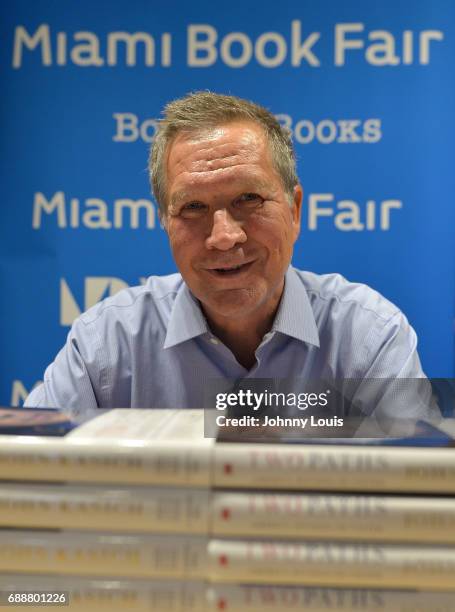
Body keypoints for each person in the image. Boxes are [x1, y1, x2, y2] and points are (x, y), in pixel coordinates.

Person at [25, 92, 437, 424]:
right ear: (165, 222)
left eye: (248, 199)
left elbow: (421, 494)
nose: (223, 236)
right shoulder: (108, 344)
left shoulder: (367, 335)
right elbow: (25, 478)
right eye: (192, 208)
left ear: (295, 210)